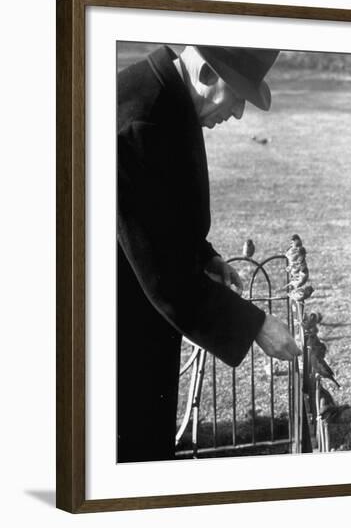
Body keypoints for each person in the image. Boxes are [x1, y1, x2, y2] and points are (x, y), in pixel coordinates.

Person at [117, 44, 301, 463]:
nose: (237, 114)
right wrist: (255, 325)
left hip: (138, 322)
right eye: (237, 97)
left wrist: (203, 256)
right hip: (113, 340)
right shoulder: (138, 120)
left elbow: (157, 214)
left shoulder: (167, 101)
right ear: (205, 75)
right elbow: (160, 273)